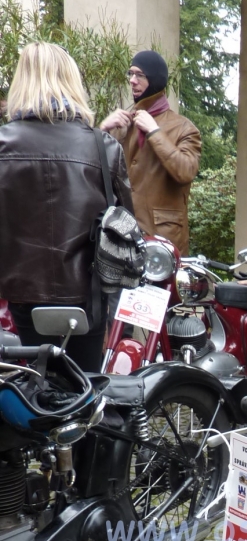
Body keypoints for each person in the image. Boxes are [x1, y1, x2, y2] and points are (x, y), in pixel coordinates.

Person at [0, 42, 133, 372]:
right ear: (71, 82)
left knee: (34, 384)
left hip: (22, 294)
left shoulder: (3, 145)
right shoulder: (103, 146)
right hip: (88, 296)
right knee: (84, 389)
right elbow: (127, 224)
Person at [99, 51, 201, 254]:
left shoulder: (184, 128)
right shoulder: (122, 124)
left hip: (163, 240)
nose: (132, 81)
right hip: (121, 235)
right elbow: (94, 170)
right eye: (130, 74)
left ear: (155, 79)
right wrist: (101, 130)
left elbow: (185, 171)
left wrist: (154, 132)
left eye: (140, 75)